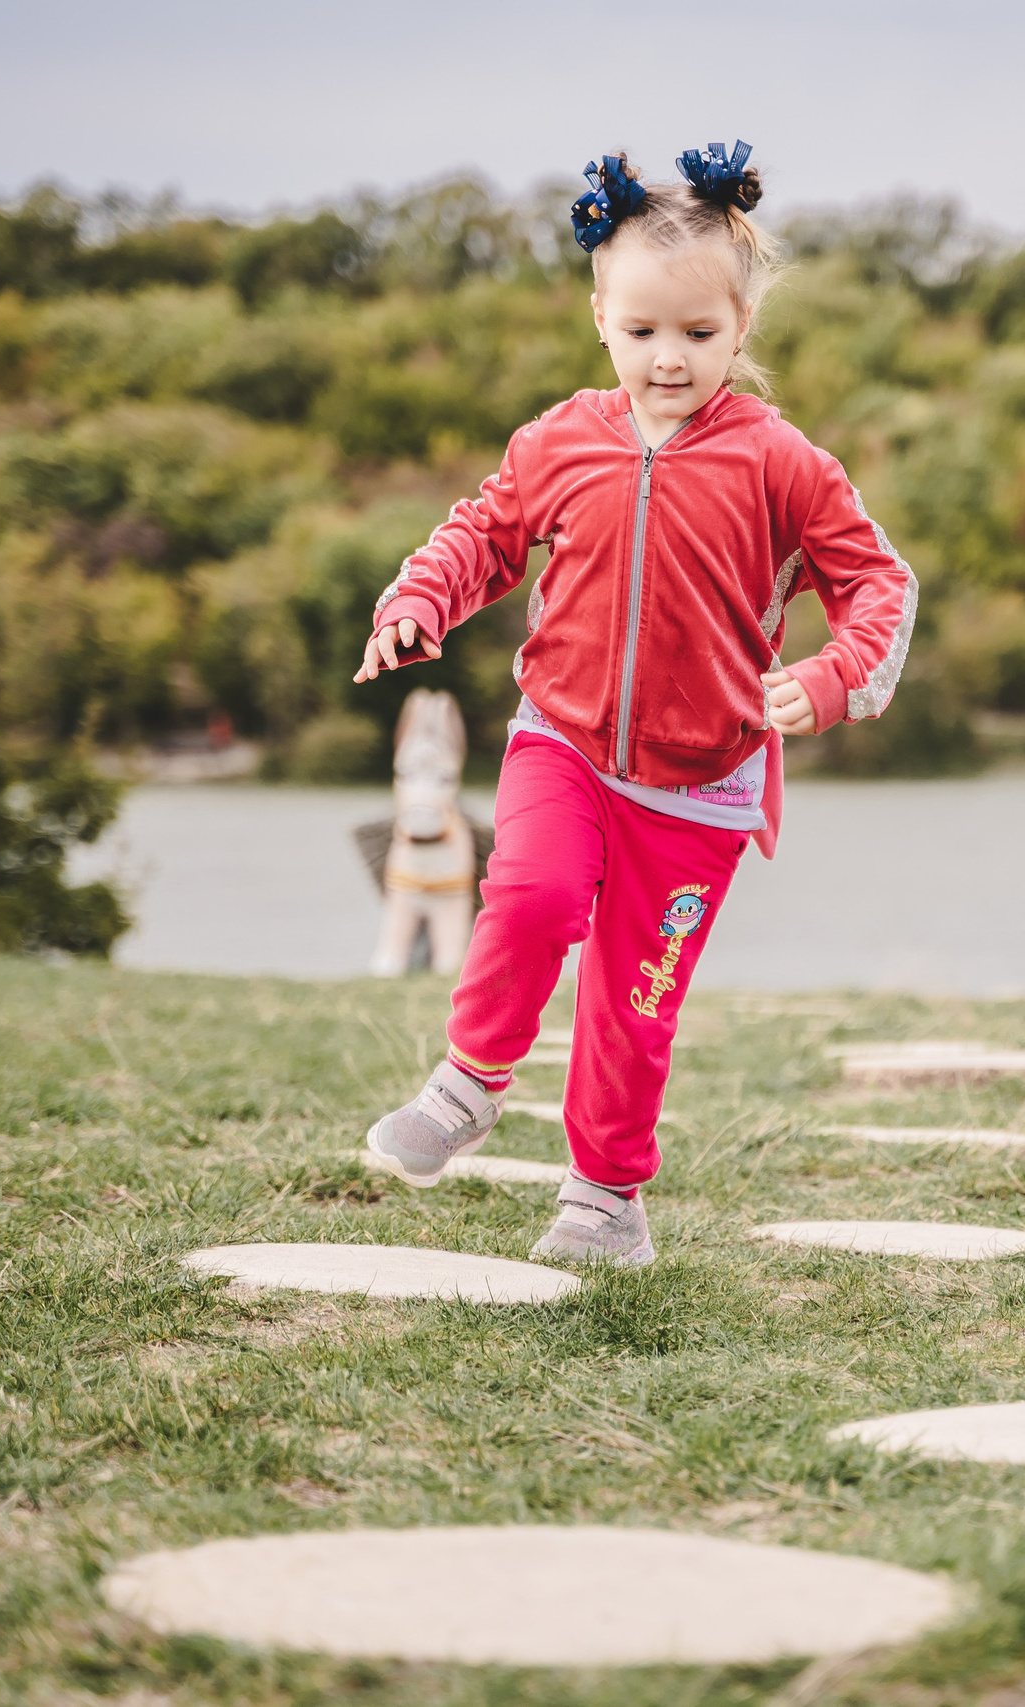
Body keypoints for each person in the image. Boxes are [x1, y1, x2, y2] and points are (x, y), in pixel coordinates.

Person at [350, 141, 916, 1267]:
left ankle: (605, 1201)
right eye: (644, 330)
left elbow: (880, 587)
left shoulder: (782, 462)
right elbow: (485, 533)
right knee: (528, 894)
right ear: (599, 315)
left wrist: (830, 679)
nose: (670, 358)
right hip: (560, 740)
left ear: (740, 330)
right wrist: (421, 596)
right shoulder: (560, 438)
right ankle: (469, 1083)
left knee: (632, 1000)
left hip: (703, 787)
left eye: (699, 335)